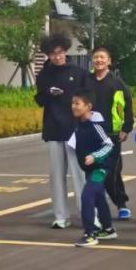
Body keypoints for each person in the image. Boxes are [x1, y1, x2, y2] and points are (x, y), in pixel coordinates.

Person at [34, 34, 87, 229]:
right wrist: (49, 93)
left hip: (75, 128)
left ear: (65, 51)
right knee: (56, 176)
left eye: (60, 53)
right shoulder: (43, 75)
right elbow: (40, 99)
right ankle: (60, 216)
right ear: (48, 55)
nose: (57, 57)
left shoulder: (78, 72)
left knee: (79, 174)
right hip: (53, 128)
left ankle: (87, 214)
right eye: (53, 54)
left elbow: (88, 98)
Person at [87, 46, 133, 220]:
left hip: (112, 134)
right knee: (93, 171)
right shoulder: (86, 81)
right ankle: (98, 206)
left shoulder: (117, 83)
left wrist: (126, 128)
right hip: (91, 132)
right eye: (96, 57)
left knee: (112, 172)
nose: (99, 60)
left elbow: (127, 105)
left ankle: (121, 204)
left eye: (102, 57)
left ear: (109, 61)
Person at [70, 88, 118, 247]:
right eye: (73, 103)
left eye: (77, 103)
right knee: (98, 198)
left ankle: (89, 234)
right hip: (90, 169)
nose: (74, 106)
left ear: (88, 106)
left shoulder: (95, 126)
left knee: (87, 196)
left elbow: (109, 145)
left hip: (100, 169)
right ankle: (108, 229)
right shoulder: (78, 125)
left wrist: (95, 156)